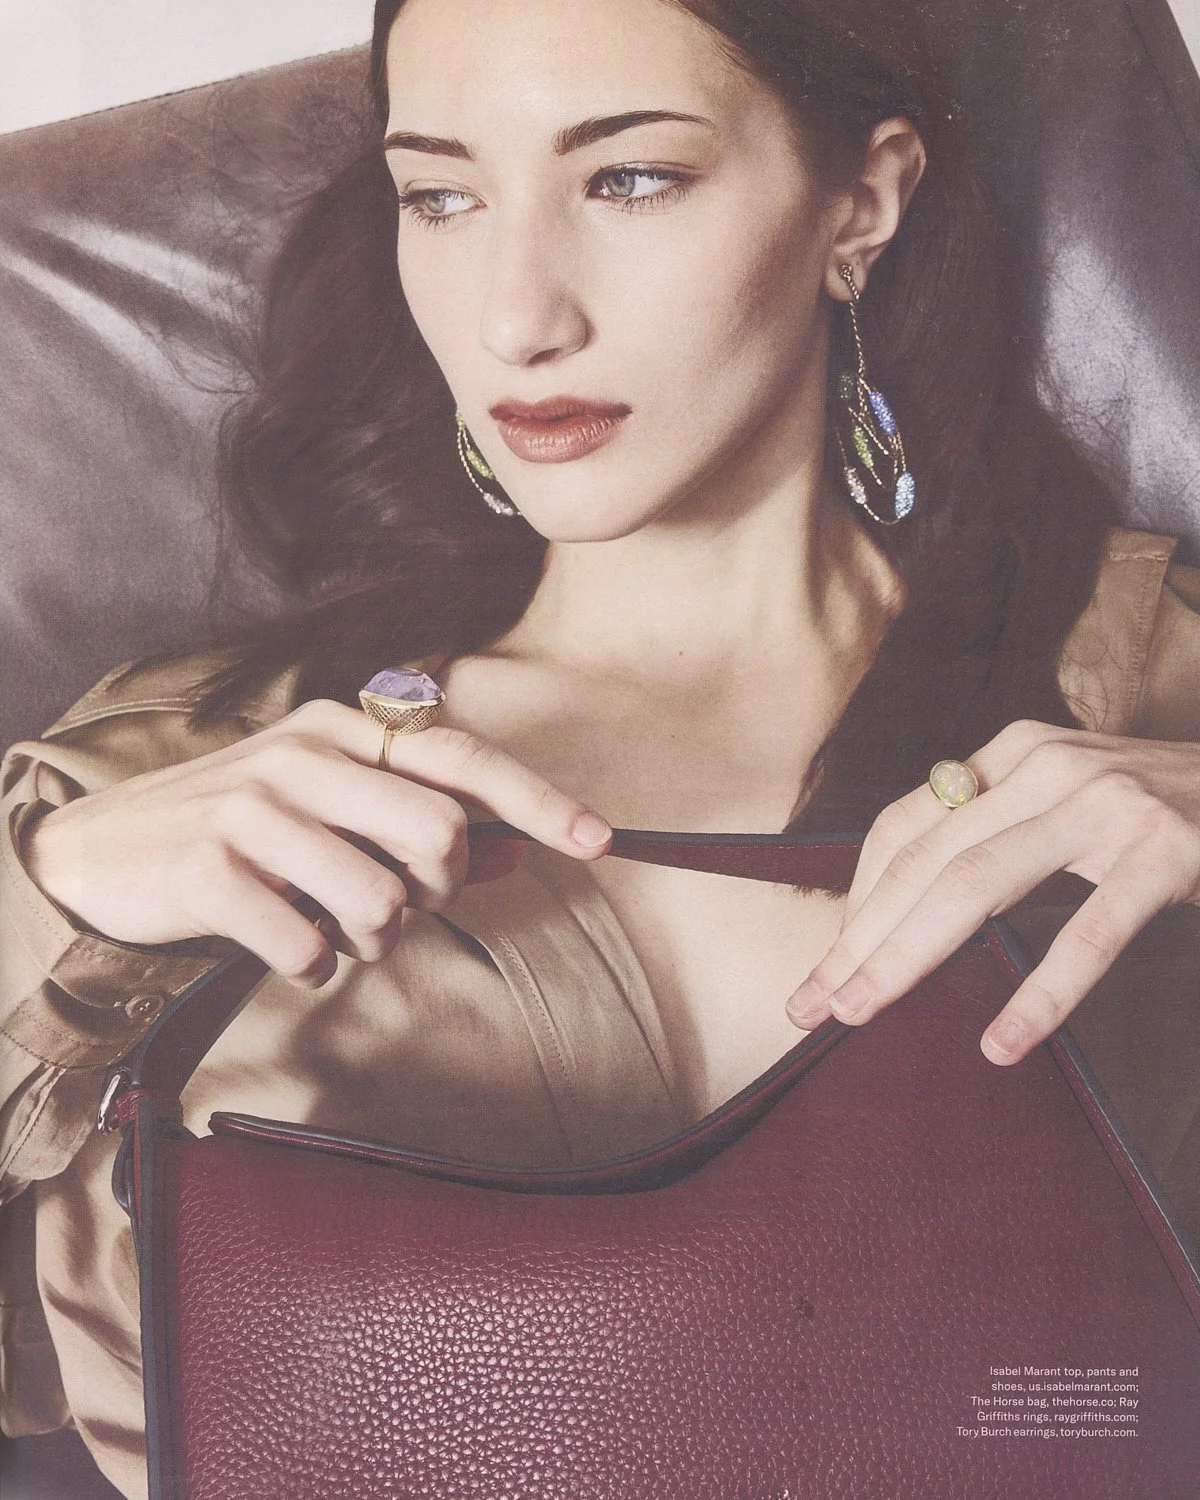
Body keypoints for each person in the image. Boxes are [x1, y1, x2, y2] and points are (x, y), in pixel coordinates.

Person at [2, 0, 1199, 1494]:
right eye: (441, 196)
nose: (516, 317)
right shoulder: (180, 768)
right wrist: (46, 894)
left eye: (628, 179)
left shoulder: (1153, 684)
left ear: (864, 203)